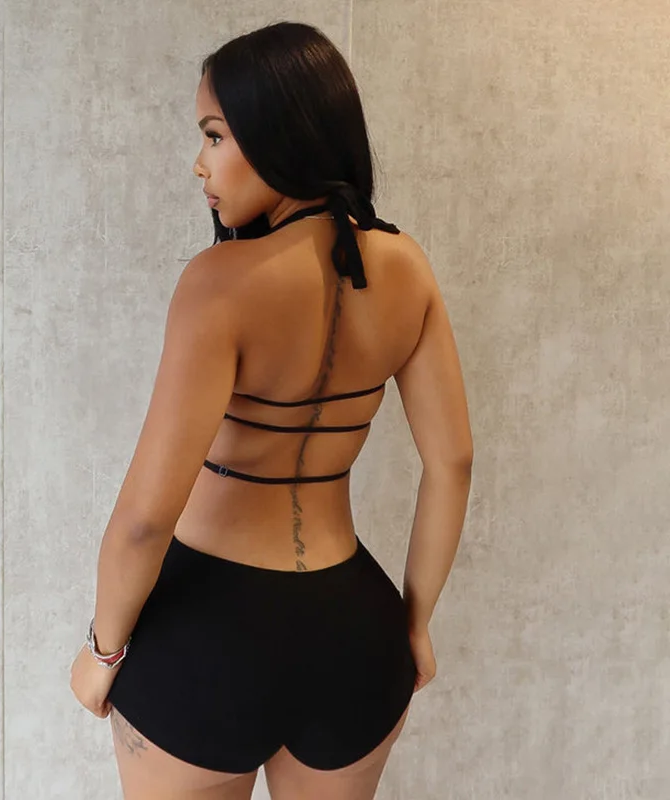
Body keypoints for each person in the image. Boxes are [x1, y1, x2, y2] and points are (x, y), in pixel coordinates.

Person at [70, 20, 473, 800]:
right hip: (356, 636)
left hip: (204, 640)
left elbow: (145, 519)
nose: (200, 163)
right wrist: (416, 624)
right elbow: (452, 462)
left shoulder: (220, 283)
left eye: (214, 135)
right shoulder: (407, 267)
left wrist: (104, 650)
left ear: (277, 131)